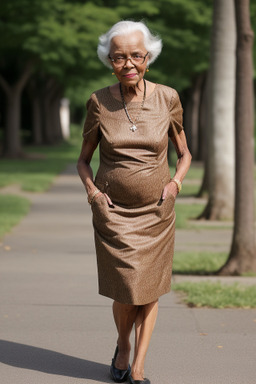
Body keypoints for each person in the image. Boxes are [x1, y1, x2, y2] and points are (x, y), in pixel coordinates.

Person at [77, 20, 191, 384]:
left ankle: (138, 366)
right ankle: (123, 344)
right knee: (128, 291)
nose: (128, 63)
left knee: (150, 290)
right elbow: (83, 160)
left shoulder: (168, 98)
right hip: (114, 216)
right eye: (118, 57)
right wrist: (93, 193)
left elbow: (185, 154)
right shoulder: (98, 101)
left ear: (149, 57)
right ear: (109, 61)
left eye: (136, 55)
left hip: (156, 214)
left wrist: (174, 185)